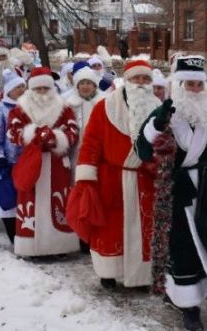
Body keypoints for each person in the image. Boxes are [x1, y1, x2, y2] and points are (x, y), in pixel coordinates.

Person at [136, 55, 207, 331]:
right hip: (173, 189)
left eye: (198, 84)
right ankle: (188, 304)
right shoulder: (164, 115)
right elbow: (141, 151)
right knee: (180, 246)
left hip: (204, 187)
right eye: (188, 84)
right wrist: (155, 126)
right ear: (178, 85)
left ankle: (195, 291)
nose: (194, 89)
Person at [66, 57, 161, 290]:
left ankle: (141, 276)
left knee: (144, 230)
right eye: (136, 78)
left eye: (145, 78)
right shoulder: (104, 107)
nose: (140, 82)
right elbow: (90, 144)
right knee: (110, 230)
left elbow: (166, 145)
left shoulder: (159, 109)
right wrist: (86, 180)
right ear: (126, 80)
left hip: (145, 180)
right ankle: (108, 272)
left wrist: (157, 165)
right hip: (111, 179)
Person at [7, 67, 80, 257]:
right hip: (32, 162)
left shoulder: (64, 108)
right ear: (31, 89)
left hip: (56, 164)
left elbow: (73, 132)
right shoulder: (19, 109)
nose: (42, 93)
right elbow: (12, 133)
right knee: (32, 201)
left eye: (45, 89)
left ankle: (60, 246)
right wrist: (34, 135)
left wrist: (55, 138)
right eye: (38, 89)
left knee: (57, 203)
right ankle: (31, 246)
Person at [0, 69, 27, 244]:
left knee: (24, 200)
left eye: (23, 87)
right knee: (8, 199)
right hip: (7, 162)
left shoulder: (28, 106)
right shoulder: (0, 108)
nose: (21, 90)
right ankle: (13, 236)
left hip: (26, 162)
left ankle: (25, 234)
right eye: (17, 87)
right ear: (9, 90)